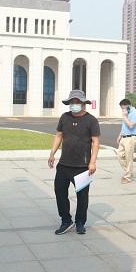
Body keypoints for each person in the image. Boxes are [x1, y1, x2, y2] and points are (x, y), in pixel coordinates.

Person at [48, 90, 100, 235]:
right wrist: (52, 154)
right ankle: (66, 220)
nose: (75, 104)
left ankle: (80, 222)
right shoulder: (64, 117)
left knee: (82, 196)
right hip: (64, 164)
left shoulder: (91, 120)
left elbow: (96, 142)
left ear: (83, 103)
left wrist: (92, 162)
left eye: (78, 102)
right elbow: (58, 136)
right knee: (59, 192)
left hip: (82, 166)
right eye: (72, 102)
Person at [116, 99, 136, 184]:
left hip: (130, 138)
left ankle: (127, 177)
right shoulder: (127, 113)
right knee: (120, 155)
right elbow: (124, 126)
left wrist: (124, 116)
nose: (123, 110)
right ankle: (129, 171)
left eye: (124, 108)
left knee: (128, 158)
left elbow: (131, 125)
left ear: (128, 106)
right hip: (124, 137)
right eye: (122, 108)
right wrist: (120, 135)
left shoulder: (135, 113)